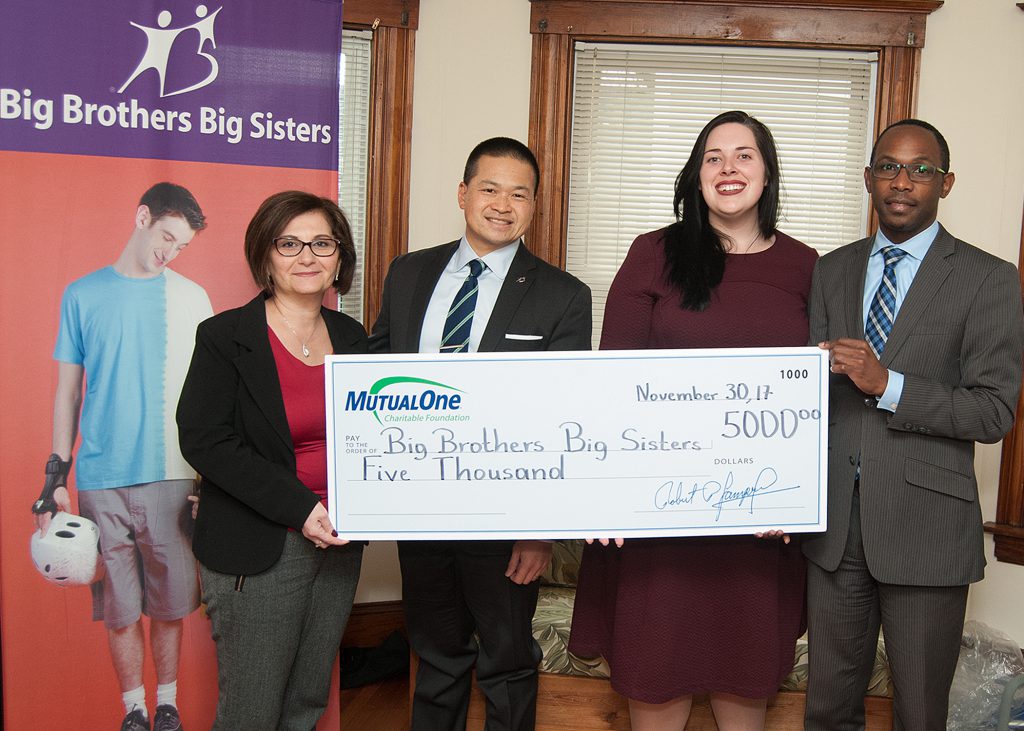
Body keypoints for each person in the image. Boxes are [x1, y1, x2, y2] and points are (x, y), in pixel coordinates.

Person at [568, 111, 816, 730]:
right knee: (657, 682)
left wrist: (790, 497)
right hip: (662, 529)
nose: (728, 168)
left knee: (745, 689)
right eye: (713, 157)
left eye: (744, 155)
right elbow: (612, 385)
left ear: (768, 173)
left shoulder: (808, 266)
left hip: (758, 533)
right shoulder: (653, 254)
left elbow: (819, 401)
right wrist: (609, 497)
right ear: (695, 175)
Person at [803, 119, 1024, 729]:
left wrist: (888, 384)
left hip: (927, 533)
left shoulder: (988, 278)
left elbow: (993, 411)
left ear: (945, 183)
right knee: (826, 710)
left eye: (920, 170)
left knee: (919, 714)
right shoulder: (832, 269)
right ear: (869, 178)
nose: (902, 182)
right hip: (834, 533)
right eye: (889, 168)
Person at [370, 136, 592, 730]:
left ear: (535, 207)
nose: (503, 204)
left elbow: (561, 418)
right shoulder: (409, 272)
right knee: (436, 657)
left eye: (519, 194)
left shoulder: (563, 295)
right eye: (490, 188)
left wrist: (540, 530)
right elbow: (370, 381)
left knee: (508, 662)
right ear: (463, 194)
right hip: (418, 508)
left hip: (504, 519)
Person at [176, 191, 365, 729]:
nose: (307, 256)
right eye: (290, 243)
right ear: (265, 255)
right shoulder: (224, 337)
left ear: (339, 257)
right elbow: (204, 439)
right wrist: (300, 507)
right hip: (260, 547)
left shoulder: (356, 341)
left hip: (341, 544)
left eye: (321, 243)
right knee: (251, 712)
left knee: (307, 703)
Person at [32, 182, 211, 731]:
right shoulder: (81, 294)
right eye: (166, 237)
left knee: (170, 603)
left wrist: (208, 475)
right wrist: (54, 475)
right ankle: (134, 709)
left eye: (180, 246)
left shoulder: (192, 298)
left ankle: (168, 705)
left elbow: (207, 394)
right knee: (119, 607)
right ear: (141, 217)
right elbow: (68, 391)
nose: (170, 252)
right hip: (102, 476)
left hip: (174, 474)